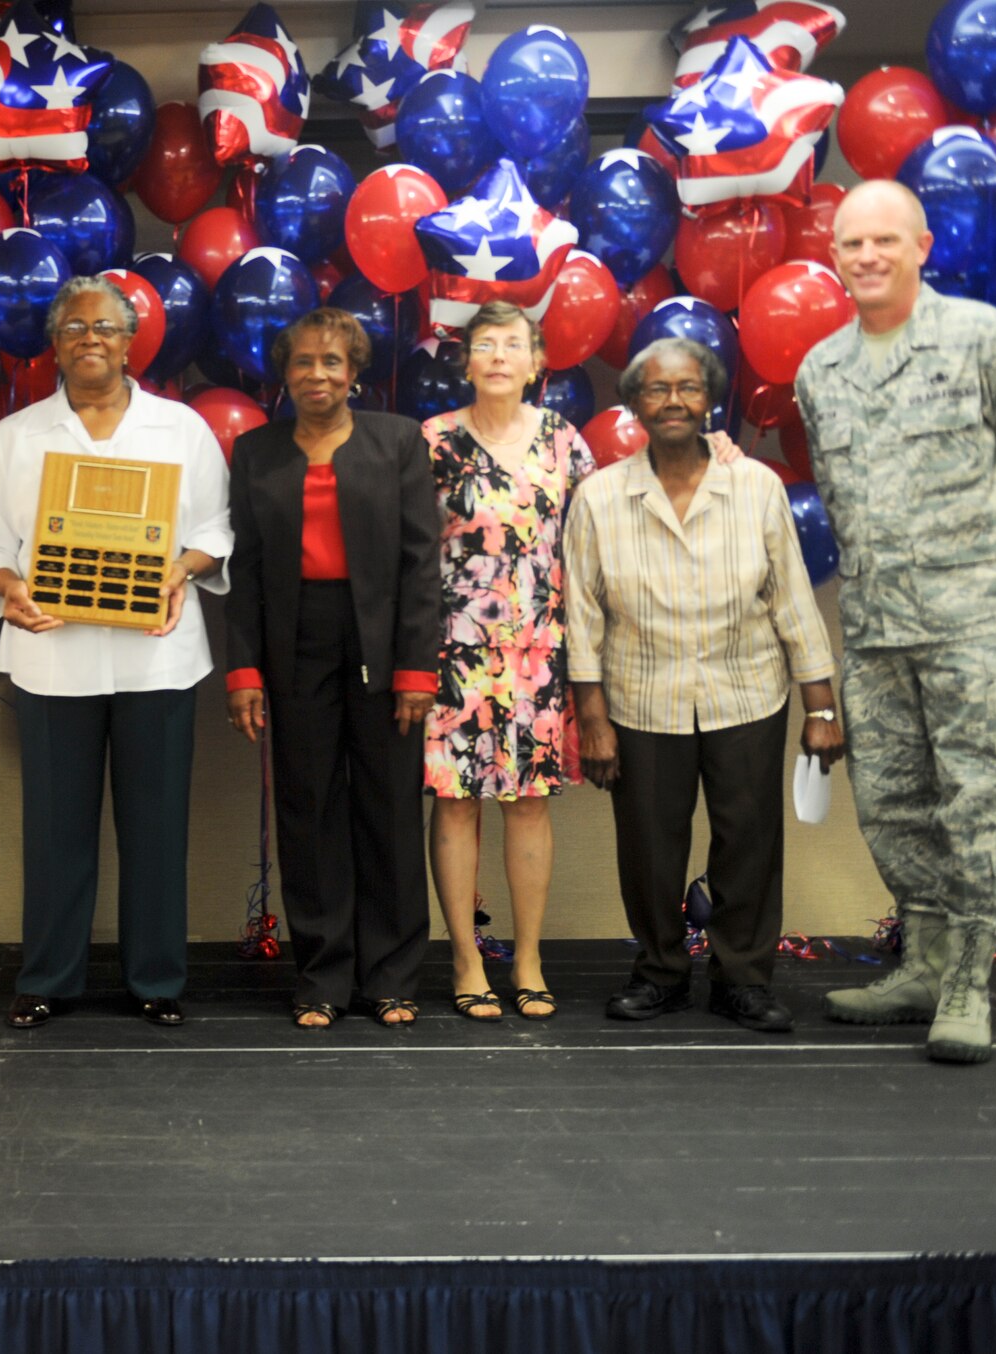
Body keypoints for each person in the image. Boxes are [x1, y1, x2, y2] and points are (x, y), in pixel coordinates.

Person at [795, 179, 996, 1063]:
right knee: (892, 806)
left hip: (979, 624)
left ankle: (968, 980)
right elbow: (844, 501)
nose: (868, 256)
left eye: (886, 240)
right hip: (879, 630)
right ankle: (922, 965)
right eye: (852, 244)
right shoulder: (820, 372)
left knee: (980, 803)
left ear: (922, 246)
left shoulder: (986, 340)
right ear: (834, 257)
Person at [0, 276, 233, 1030]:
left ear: (130, 341)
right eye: (75, 327)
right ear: (54, 344)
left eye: (106, 327)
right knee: (56, 833)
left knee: (157, 828)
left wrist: (182, 569)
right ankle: (48, 976)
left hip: (159, 657)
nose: (91, 339)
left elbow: (217, 528)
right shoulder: (15, 437)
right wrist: (10, 587)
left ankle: (157, 979)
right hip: (53, 660)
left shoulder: (181, 429)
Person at [565, 337, 843, 1034]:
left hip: (746, 691)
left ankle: (742, 978)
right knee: (649, 849)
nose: (673, 401)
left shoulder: (756, 488)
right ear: (634, 404)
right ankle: (660, 972)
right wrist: (591, 719)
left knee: (749, 841)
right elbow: (582, 617)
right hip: (641, 698)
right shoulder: (600, 498)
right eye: (657, 389)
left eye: (688, 387)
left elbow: (791, 600)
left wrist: (821, 707)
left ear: (709, 400)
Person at [225, 308, 442, 1027]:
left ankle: (391, 976)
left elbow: (421, 562)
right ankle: (321, 976)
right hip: (294, 640)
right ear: (284, 374)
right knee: (307, 806)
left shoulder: (398, 441)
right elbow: (245, 571)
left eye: (331, 361)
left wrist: (416, 669)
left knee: (388, 807)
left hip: (382, 642)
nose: (316, 374)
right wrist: (244, 672)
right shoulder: (255, 452)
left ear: (354, 372)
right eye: (303, 361)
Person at [419, 302, 596, 1023]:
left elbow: (594, 537)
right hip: (453, 654)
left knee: (528, 804)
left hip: (539, 653)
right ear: (466, 361)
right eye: (484, 344)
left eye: (512, 344)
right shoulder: (433, 441)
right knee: (455, 803)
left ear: (536, 362)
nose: (497, 355)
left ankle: (527, 960)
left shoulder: (564, 441)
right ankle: (466, 960)